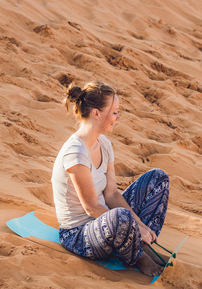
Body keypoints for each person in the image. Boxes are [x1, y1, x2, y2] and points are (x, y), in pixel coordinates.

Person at [51, 81, 170, 276]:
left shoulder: (104, 144)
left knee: (158, 178)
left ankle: (142, 243)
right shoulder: (75, 153)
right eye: (114, 112)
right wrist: (131, 225)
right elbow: (92, 208)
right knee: (121, 217)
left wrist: (140, 226)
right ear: (96, 114)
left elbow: (112, 194)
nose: (118, 117)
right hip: (79, 234)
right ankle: (138, 257)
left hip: (107, 222)